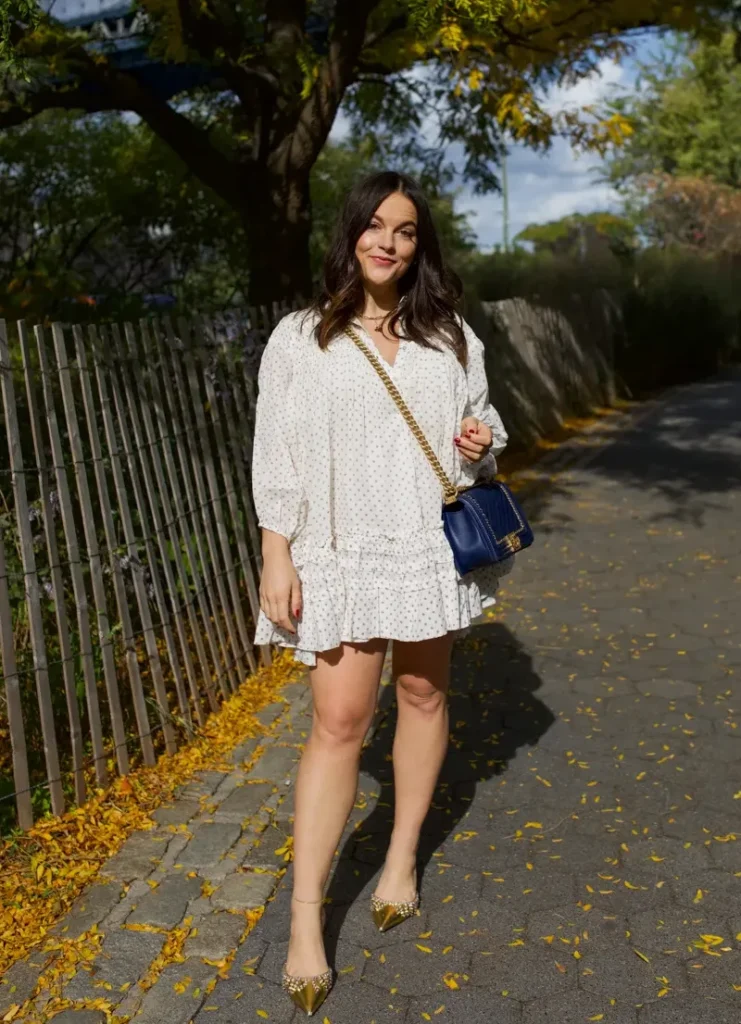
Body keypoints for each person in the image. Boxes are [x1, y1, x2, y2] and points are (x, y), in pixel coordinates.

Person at [251, 170, 509, 1015]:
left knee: (424, 693)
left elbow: (481, 436)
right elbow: (276, 455)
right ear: (351, 233)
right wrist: (275, 554)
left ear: (418, 245)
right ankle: (305, 921)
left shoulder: (450, 338)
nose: (387, 241)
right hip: (335, 548)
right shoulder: (299, 337)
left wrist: (477, 440)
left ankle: (401, 855)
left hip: (423, 546)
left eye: (403, 229)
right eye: (374, 224)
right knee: (338, 723)